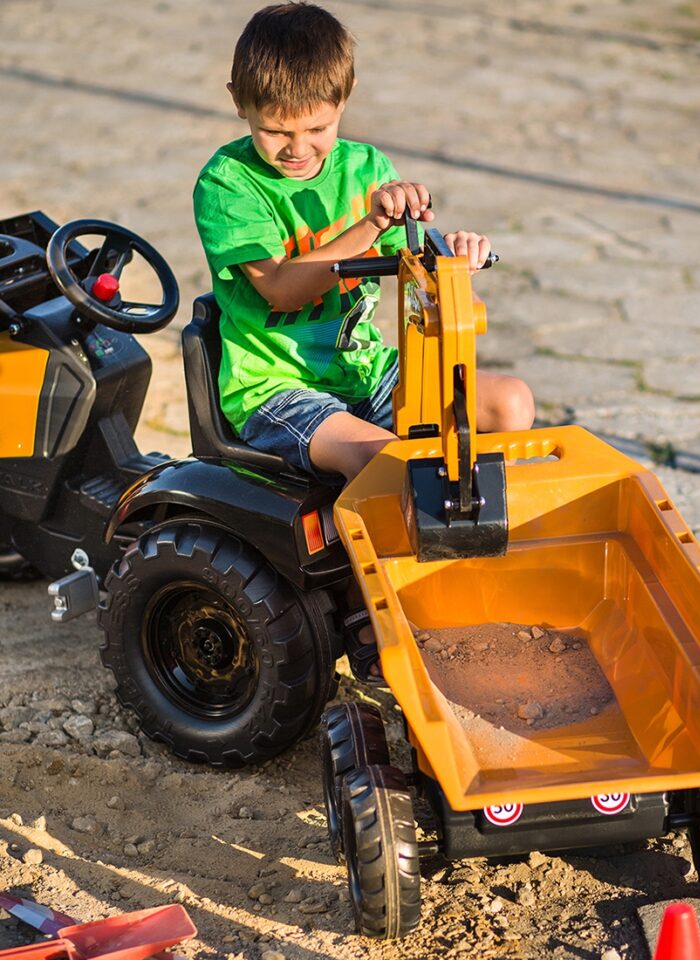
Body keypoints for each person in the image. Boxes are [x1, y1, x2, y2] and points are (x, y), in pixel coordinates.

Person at [194, 2, 534, 682]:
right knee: (382, 458)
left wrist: (454, 250)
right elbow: (283, 290)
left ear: (343, 102)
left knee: (508, 406)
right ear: (239, 106)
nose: (298, 148)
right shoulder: (227, 184)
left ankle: (493, 565)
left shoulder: (366, 167)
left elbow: (415, 252)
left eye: (317, 128)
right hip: (276, 389)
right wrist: (367, 229)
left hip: (363, 370)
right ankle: (393, 622)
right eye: (276, 132)